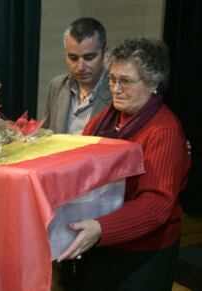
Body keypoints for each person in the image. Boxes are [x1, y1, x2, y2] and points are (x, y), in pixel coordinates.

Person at [55, 38, 191, 290]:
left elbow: (157, 205)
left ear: (154, 83)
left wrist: (101, 227)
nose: (115, 88)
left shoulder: (164, 131)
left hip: (141, 253)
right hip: (98, 242)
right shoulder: (101, 120)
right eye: (112, 79)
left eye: (125, 81)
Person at [44, 17, 112, 134]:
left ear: (105, 53)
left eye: (89, 57)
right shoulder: (57, 85)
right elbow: (46, 134)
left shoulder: (115, 90)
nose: (80, 67)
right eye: (73, 58)